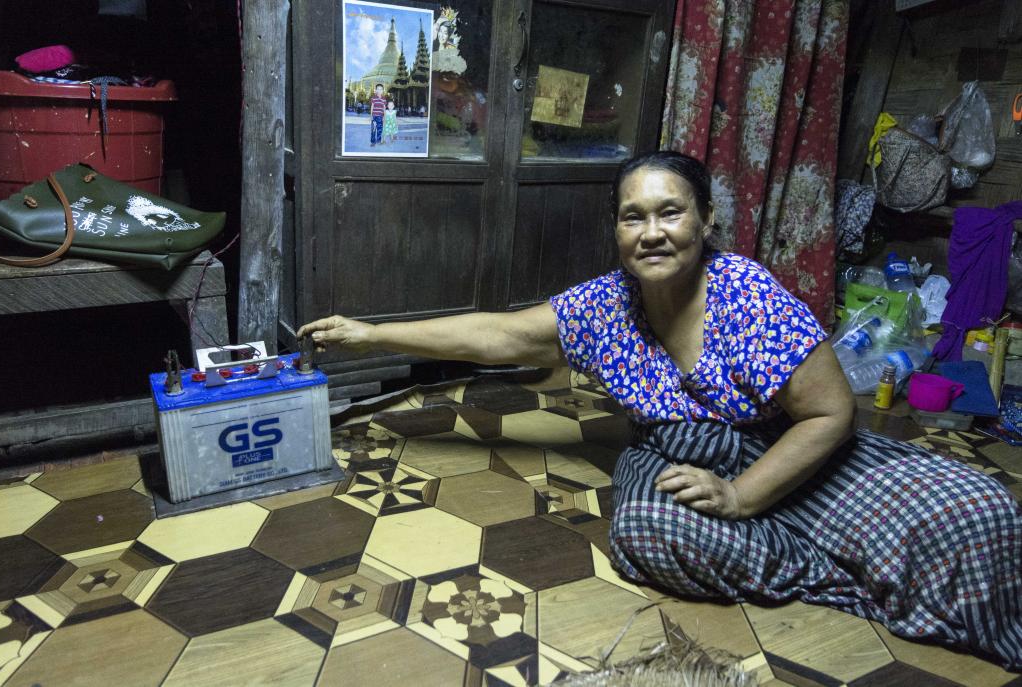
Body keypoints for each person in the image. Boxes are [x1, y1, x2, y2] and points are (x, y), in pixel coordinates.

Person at [298, 151, 1022, 670]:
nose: (651, 231)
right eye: (631, 217)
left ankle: (839, 546)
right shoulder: (605, 303)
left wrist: (741, 494)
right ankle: (844, 572)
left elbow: (831, 415)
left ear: (705, 219)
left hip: (800, 454)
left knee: (979, 507)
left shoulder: (745, 292)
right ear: (616, 231)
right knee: (646, 530)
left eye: (669, 212)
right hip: (676, 451)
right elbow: (502, 331)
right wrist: (371, 333)